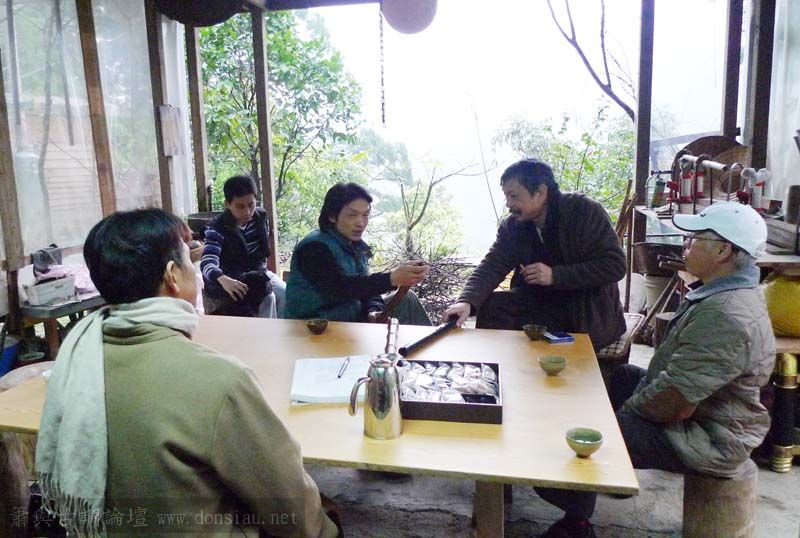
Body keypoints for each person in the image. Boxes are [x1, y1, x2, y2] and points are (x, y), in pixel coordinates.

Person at [36, 209, 340, 537]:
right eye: (188, 260)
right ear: (172, 276)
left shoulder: (78, 361)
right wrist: (328, 527)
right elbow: (288, 504)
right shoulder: (219, 379)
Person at [536, 202, 776, 538]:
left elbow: (675, 401)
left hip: (711, 436)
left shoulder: (724, 314)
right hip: (706, 412)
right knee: (621, 378)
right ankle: (606, 475)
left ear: (724, 251)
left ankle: (576, 524)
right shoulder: (727, 292)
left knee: (578, 435)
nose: (686, 245)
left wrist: (623, 416)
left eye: (695, 239)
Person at [443, 158, 626, 349]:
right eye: (506, 196)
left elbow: (615, 265)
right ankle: (494, 366)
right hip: (540, 302)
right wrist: (467, 301)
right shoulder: (513, 226)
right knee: (493, 306)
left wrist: (555, 275)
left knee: (568, 333)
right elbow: (492, 265)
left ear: (540, 192)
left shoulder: (584, 211)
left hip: (586, 308)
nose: (509, 204)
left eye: (514, 196)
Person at [285, 182, 431, 325]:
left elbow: (366, 288)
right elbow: (338, 288)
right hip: (316, 326)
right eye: (352, 215)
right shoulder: (314, 247)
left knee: (408, 300)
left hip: (350, 320)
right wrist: (391, 278)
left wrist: (373, 311)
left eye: (365, 215)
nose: (360, 222)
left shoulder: (354, 246)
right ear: (332, 216)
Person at [201, 175, 286, 317]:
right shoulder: (217, 228)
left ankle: (282, 329)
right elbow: (207, 262)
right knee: (268, 298)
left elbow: (261, 256)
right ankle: (264, 331)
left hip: (257, 273)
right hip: (229, 277)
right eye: (240, 206)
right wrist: (223, 279)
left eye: (251, 205)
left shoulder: (260, 219)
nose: (247, 212)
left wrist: (260, 275)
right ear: (227, 204)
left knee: (284, 293)